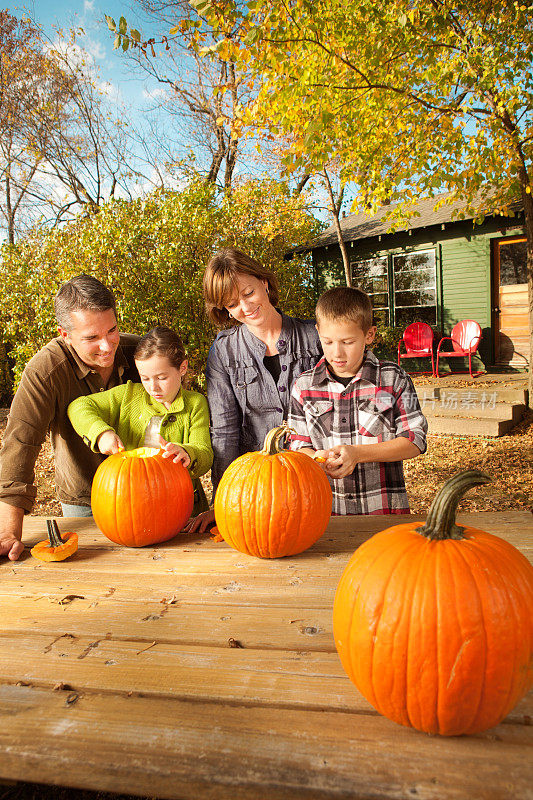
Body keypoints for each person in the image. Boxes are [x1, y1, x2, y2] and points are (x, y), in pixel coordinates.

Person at [0, 274, 140, 561]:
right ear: (65, 334)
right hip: (84, 498)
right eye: (91, 338)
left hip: (147, 489)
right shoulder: (45, 371)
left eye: (112, 330)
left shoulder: (142, 352)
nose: (107, 345)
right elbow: (20, 446)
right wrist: (7, 532)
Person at [185, 247, 322, 532]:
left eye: (248, 293)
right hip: (259, 492)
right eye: (233, 304)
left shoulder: (316, 337)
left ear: (265, 283)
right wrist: (222, 502)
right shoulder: (224, 352)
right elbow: (224, 431)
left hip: (317, 480)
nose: (245, 308)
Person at [287, 286, 427, 515]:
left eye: (348, 342)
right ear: (318, 332)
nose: (337, 353)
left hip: (382, 515)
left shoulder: (394, 379)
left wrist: (357, 454)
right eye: (328, 342)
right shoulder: (303, 387)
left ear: (369, 335)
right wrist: (318, 458)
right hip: (324, 516)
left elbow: (414, 440)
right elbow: (297, 446)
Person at [68, 326, 213, 516]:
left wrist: (187, 452)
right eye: (145, 378)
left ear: (182, 368)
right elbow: (78, 406)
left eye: (162, 378)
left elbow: (204, 452)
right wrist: (101, 433)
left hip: (183, 506)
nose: (153, 387)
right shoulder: (128, 395)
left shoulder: (195, 403)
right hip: (134, 505)